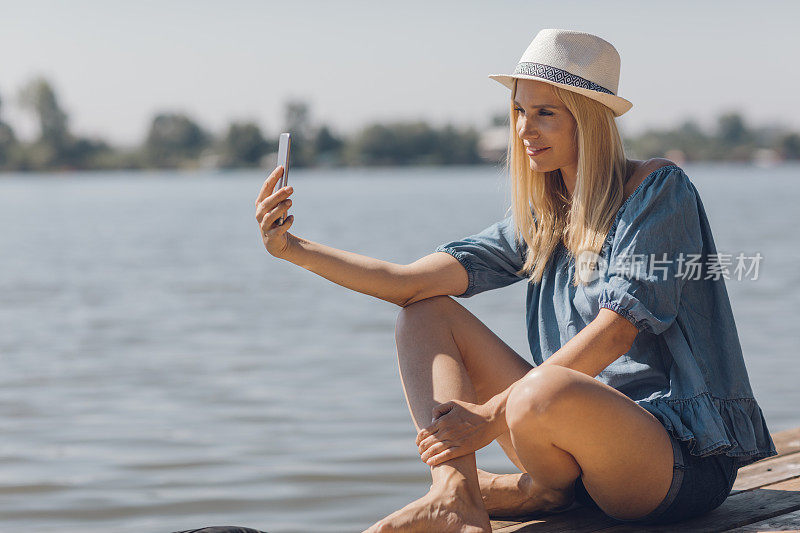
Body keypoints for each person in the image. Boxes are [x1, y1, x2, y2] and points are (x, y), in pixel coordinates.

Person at [254, 29, 777, 532]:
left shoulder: (658, 190)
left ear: (588, 120)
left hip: (676, 462)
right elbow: (407, 283)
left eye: (545, 113)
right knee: (425, 312)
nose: (525, 129)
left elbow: (618, 331)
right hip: (568, 445)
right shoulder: (544, 219)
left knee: (540, 390)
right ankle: (455, 495)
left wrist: (488, 418)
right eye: (521, 111)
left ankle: (536, 490)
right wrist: (292, 249)